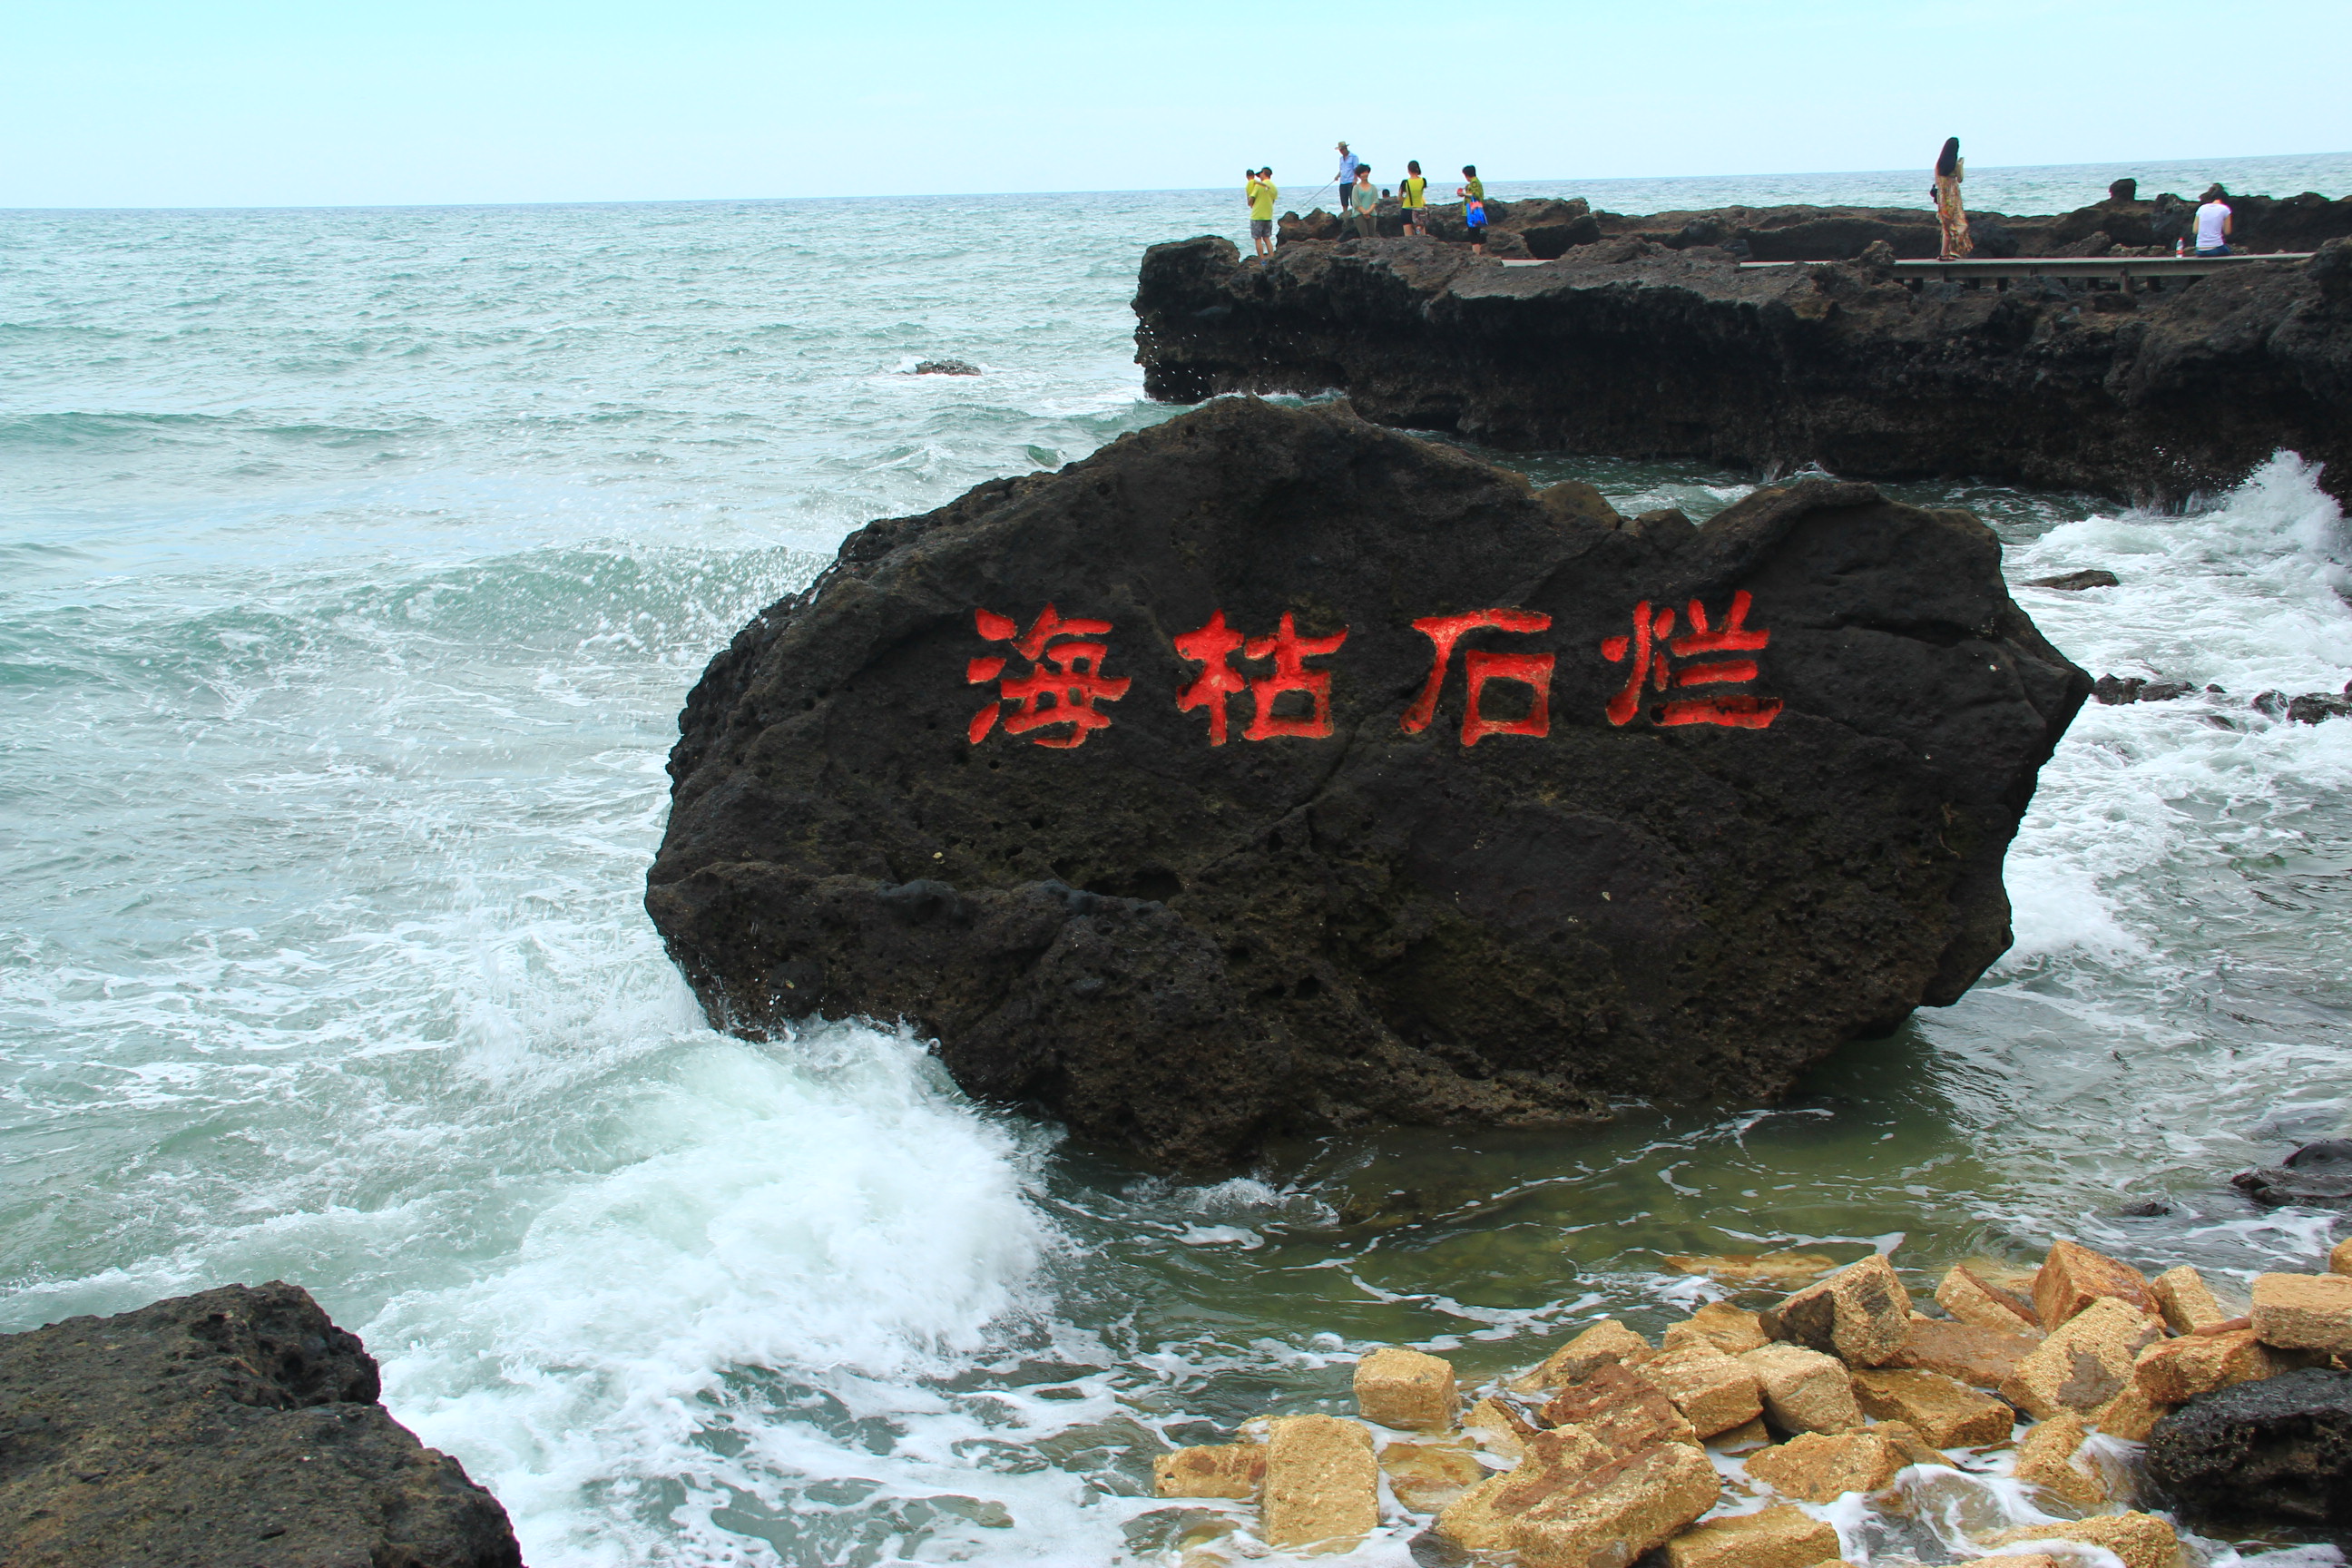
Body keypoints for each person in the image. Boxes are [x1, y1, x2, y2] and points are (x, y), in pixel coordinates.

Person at [1932, 137, 1972, 260]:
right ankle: (1953, 251)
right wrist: (1960, 166)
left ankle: (1945, 253)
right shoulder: (1954, 164)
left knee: (1946, 227)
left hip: (1942, 198)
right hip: (1953, 197)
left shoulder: (1939, 164)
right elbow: (1960, 179)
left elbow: (1937, 181)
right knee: (1959, 224)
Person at [1246, 168, 1279, 259]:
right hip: (1268, 216)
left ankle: (1262, 260)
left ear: (1264, 173)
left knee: (1257, 239)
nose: (1259, 176)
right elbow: (1273, 201)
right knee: (1267, 238)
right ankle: (1272, 257)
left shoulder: (1258, 186)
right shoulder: (1274, 187)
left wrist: (1250, 202)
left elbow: (1251, 199)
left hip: (1257, 216)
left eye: (1261, 174)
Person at [2194, 184, 2234, 256]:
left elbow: (2195, 230)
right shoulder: (2225, 209)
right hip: (2215, 249)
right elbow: (2227, 232)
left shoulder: (2201, 208)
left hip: (2199, 250)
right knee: (2228, 251)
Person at [1348, 164, 1378, 239]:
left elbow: (1375, 201)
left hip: (1372, 214)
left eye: (1366, 172)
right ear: (1359, 175)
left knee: (1372, 236)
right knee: (1364, 236)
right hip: (1359, 214)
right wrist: (1364, 212)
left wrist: (1369, 211)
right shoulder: (1356, 188)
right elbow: (1356, 203)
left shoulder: (1373, 187)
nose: (1365, 174)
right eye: (1362, 173)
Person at [1399, 160, 1428, 237]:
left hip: (1407, 210)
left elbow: (1400, 197)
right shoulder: (1423, 181)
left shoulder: (1405, 182)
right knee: (1422, 237)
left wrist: (1404, 199)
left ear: (1408, 170)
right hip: (1419, 209)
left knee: (1408, 237)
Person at [1334, 142, 1360, 210]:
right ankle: (1344, 215)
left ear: (1345, 148)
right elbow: (1342, 170)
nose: (1341, 151)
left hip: (1351, 181)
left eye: (1342, 150)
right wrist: (1337, 176)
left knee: (1353, 200)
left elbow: (1356, 169)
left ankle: (1354, 213)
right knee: (1344, 201)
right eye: (1340, 150)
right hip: (1343, 182)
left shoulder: (1353, 157)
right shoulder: (1341, 159)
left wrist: (1355, 180)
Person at [1463, 189, 1489, 254]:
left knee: (1474, 238)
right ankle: (1476, 253)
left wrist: (1463, 194)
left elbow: (1473, 196)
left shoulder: (1473, 200)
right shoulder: (1477, 201)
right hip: (1477, 220)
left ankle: (1476, 254)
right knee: (1476, 236)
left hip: (1473, 221)